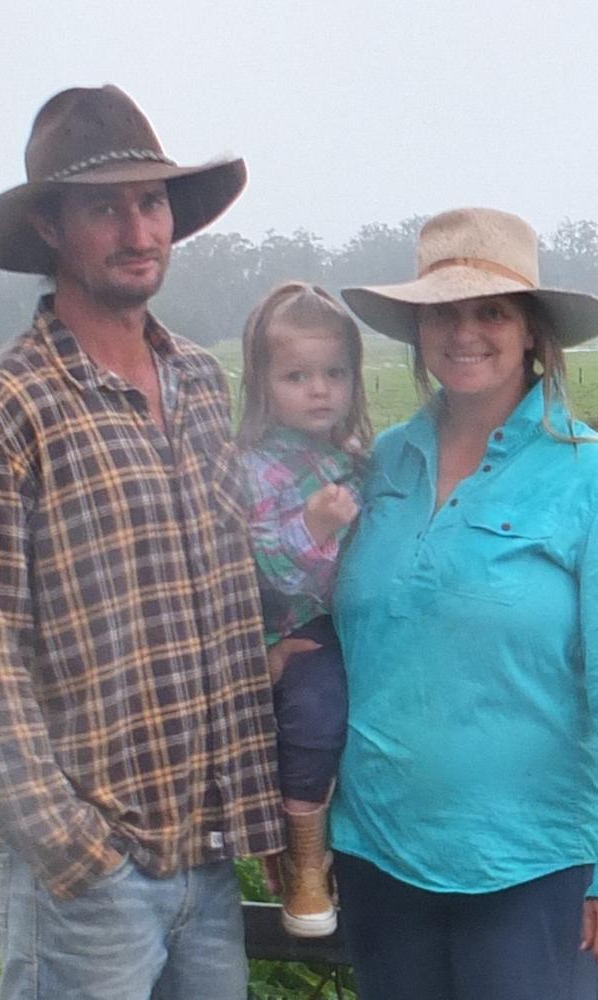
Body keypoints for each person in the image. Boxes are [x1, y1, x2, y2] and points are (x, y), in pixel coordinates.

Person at [0, 84, 284, 1000]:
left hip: (204, 856)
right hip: (88, 881)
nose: (139, 231)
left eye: (152, 202)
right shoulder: (7, 408)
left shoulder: (202, 385)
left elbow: (229, 593)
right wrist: (74, 848)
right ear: (51, 229)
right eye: (106, 206)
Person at [327, 207, 598, 1000]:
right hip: (379, 848)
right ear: (418, 330)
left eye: (491, 310)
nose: (465, 331)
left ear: (531, 331)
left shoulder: (583, 475)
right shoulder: (378, 465)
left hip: (534, 861)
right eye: (443, 311)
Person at [237, 282, 371, 937]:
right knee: (316, 712)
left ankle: (352, 851)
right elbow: (263, 574)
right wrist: (311, 531)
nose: (319, 389)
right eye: (297, 375)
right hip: (293, 630)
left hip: (353, 624)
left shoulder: (352, 457)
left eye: (334, 373)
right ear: (263, 385)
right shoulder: (251, 469)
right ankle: (307, 864)